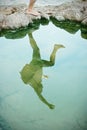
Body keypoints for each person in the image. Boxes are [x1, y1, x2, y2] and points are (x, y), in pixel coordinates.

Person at [20, 31, 65, 109]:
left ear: (38, 89)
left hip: (36, 64)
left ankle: (29, 33)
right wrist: (44, 76)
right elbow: (37, 76)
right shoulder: (38, 81)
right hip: (38, 64)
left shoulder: (34, 86)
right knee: (49, 61)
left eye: (41, 89)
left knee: (36, 49)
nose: (42, 88)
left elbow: (40, 97)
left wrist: (48, 104)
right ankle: (55, 48)